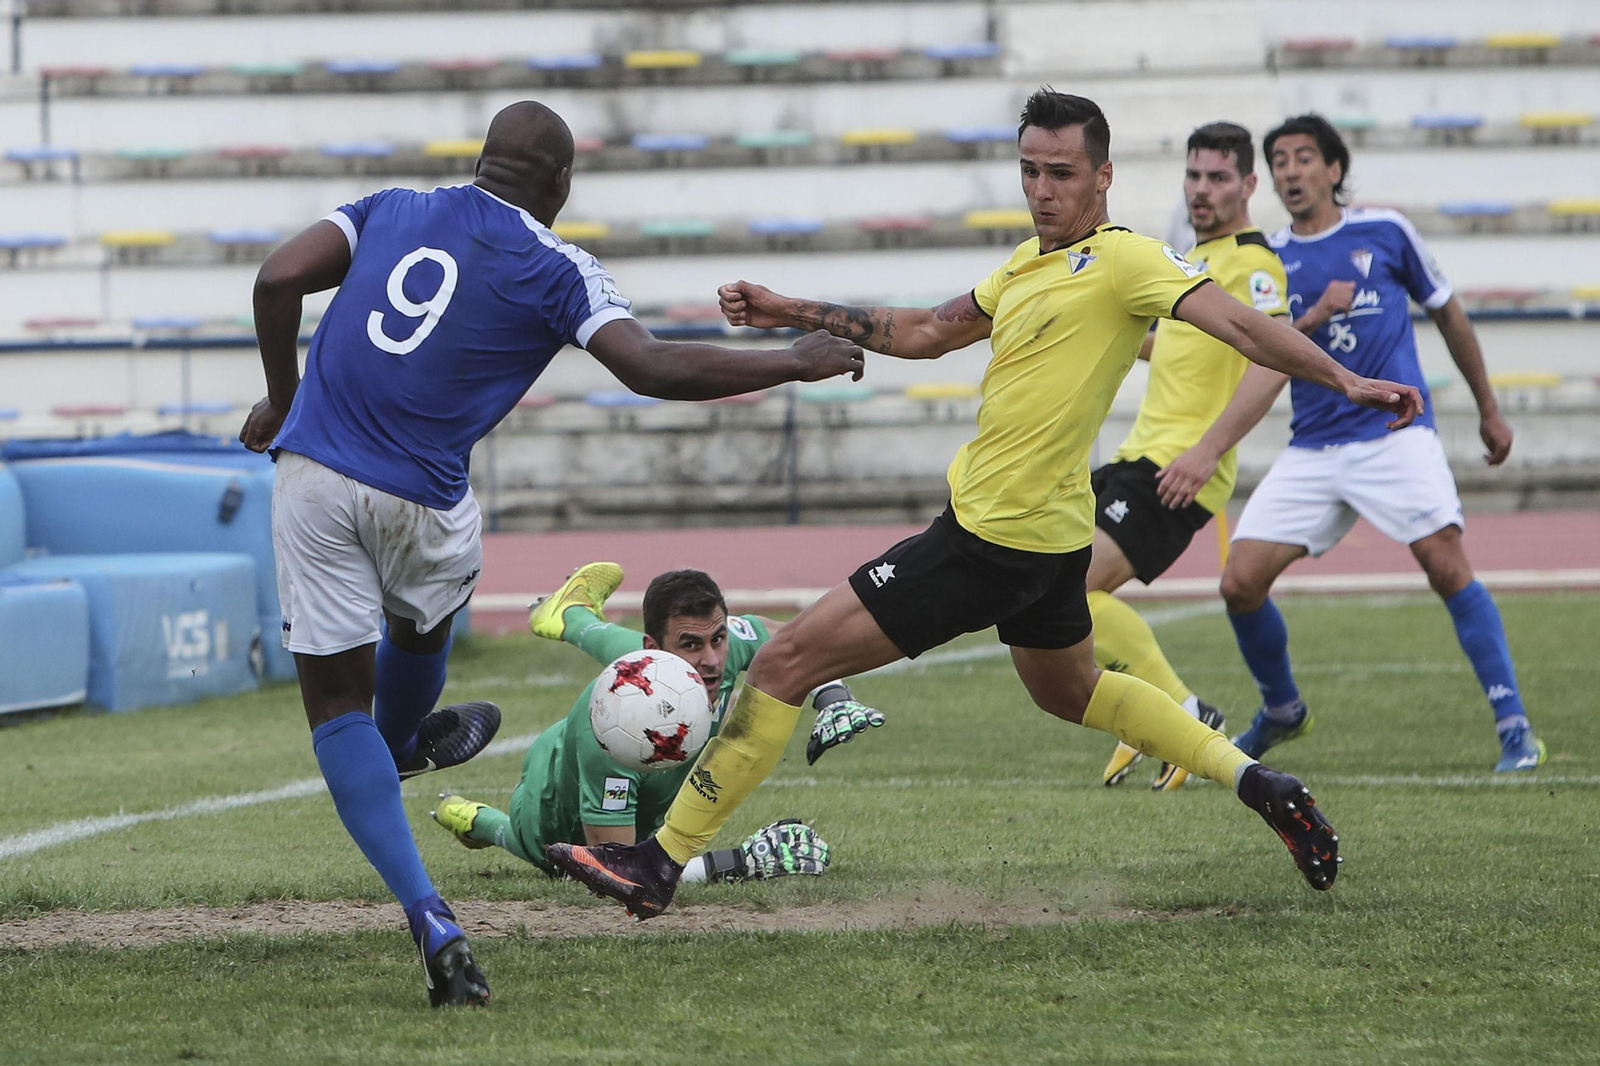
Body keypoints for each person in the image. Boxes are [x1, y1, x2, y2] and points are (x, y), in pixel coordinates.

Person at [544, 89, 1427, 920]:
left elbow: (1239, 324)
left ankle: (659, 862)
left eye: (1061, 173)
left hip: (990, 538)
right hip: (1051, 539)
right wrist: (790, 310)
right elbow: (928, 330)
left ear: (1104, 176)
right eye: (1030, 170)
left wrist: (1345, 378)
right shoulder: (1025, 266)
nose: (1042, 189)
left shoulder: (1123, 258)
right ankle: (1259, 783)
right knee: (1073, 691)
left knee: (782, 664)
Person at [237, 100, 867, 1006]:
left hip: (313, 475)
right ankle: (404, 737)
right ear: (562, 184)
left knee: (337, 708)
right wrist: (791, 361)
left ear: (481, 159)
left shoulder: (391, 207)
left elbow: (276, 278)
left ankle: (430, 914)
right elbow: (650, 367)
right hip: (424, 499)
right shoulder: (560, 266)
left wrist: (281, 396)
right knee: (420, 628)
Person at [1198, 114, 1545, 773]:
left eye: (1304, 157)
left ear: (1334, 169)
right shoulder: (1268, 257)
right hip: (1313, 446)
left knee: (1445, 565)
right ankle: (1282, 709)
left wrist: (1489, 409)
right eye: (1280, 160)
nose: (1291, 171)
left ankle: (1514, 727)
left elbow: (1448, 312)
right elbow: (1268, 350)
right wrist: (1315, 316)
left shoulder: (1385, 231)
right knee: (1239, 582)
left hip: (1394, 435)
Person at [431, 565, 883, 883]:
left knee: (690, 681)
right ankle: (480, 821)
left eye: (719, 638)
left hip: (639, 711)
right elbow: (618, 870)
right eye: (691, 644)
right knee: (537, 847)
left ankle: (566, 614)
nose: (712, 660)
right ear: (655, 647)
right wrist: (739, 862)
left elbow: (800, 642)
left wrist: (832, 697)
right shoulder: (609, 741)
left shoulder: (711, 650)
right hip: (549, 802)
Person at [1090, 121, 1292, 792]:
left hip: (1176, 472)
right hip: (1137, 460)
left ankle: (1181, 715)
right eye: (1194, 175)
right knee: (1039, 584)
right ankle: (1145, 720)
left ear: (1248, 185)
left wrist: (1207, 451)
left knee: (1069, 587)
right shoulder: (1193, 260)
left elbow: (1273, 361)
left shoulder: (1254, 265)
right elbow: (1176, 350)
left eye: (1217, 177)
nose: (1201, 189)